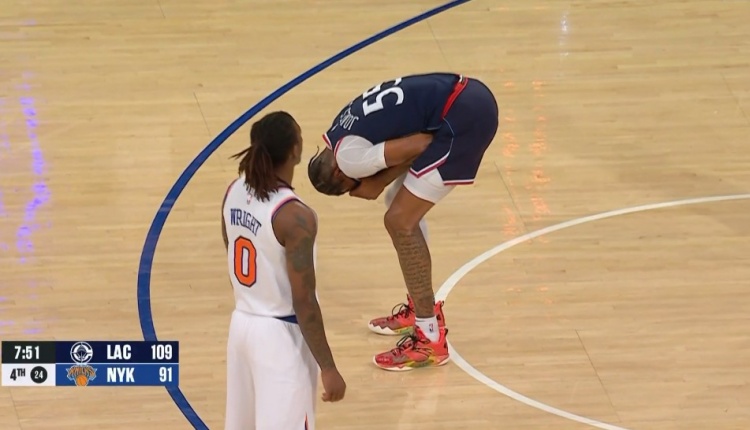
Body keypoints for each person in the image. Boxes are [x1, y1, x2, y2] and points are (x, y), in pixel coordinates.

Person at [307, 73, 499, 371]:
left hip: (465, 117)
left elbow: (422, 144)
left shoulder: (349, 161)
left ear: (338, 174)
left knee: (399, 221)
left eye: (352, 185)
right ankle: (420, 306)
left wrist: (377, 181)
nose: (359, 185)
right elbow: (411, 144)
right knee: (396, 200)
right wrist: (383, 183)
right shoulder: (337, 131)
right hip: (465, 97)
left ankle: (430, 339)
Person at [222, 111, 346, 429]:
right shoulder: (295, 217)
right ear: (294, 150)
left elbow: (229, 244)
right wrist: (328, 367)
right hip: (279, 338)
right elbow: (304, 302)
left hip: (241, 325)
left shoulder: (233, 191)